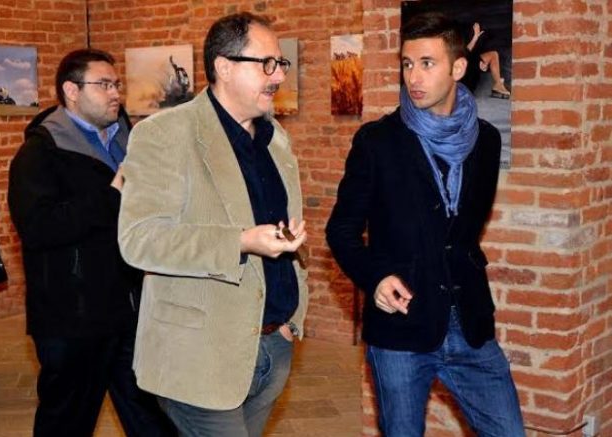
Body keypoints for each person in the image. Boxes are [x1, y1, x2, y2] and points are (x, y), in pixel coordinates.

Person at [326, 12, 525, 437]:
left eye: (427, 63)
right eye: (407, 64)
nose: (413, 77)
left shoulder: (487, 141)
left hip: (469, 324)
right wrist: (375, 277)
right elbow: (341, 230)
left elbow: (464, 234)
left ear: (458, 67)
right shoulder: (377, 141)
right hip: (401, 328)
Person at [118, 12, 308, 437]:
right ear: (224, 67)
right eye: (267, 64)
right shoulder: (165, 133)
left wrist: (290, 322)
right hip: (199, 358)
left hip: (272, 345)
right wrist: (240, 241)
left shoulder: (275, 138)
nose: (279, 76)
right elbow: (139, 240)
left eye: (281, 63)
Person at [8, 49, 175, 437]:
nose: (115, 93)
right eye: (103, 85)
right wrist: (110, 196)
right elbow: (37, 228)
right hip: (73, 317)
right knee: (67, 422)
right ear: (71, 91)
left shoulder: (128, 140)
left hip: (130, 307)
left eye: (116, 84)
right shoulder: (39, 153)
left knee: (151, 417)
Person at [464, 22, 511, 98]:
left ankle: (498, 84)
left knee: (493, 54)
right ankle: (498, 84)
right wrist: (475, 37)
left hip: (469, 66)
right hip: (464, 80)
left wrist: (480, 62)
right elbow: (464, 53)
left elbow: (468, 53)